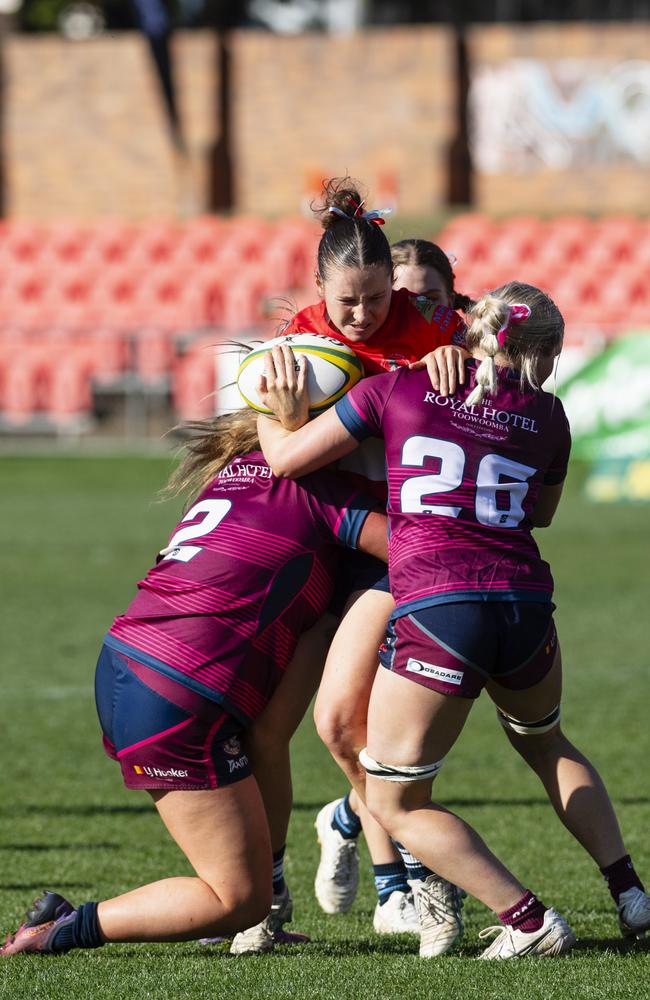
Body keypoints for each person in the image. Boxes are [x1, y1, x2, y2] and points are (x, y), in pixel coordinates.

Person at [256, 281, 650, 958]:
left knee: (396, 801)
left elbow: (287, 460)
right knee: (548, 743)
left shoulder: (401, 388)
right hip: (526, 603)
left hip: (443, 606)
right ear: (545, 351)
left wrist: (266, 406)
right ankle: (632, 895)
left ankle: (526, 919)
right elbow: (541, 513)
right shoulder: (551, 414)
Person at [0, 410, 388, 958]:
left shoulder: (242, 471)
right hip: (176, 690)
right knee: (236, 901)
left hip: (131, 660)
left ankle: (268, 895)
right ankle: (65, 926)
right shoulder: (319, 489)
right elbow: (422, 557)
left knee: (252, 877)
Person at [265, 178, 470, 944]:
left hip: (396, 544)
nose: (359, 316)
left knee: (348, 720)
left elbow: (495, 378)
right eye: (345, 302)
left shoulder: (434, 331)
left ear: (396, 287)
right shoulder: (301, 343)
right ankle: (370, 859)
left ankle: (398, 878)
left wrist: (462, 358)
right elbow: (269, 432)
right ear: (320, 289)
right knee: (323, 729)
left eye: (376, 299)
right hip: (324, 542)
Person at [313, 236, 474, 938]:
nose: (379, 313)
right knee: (344, 724)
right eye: (361, 298)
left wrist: (467, 362)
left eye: (417, 297)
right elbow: (285, 448)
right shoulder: (318, 344)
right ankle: (394, 886)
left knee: (386, 734)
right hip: (345, 537)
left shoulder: (458, 351)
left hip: (424, 551)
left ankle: (362, 833)